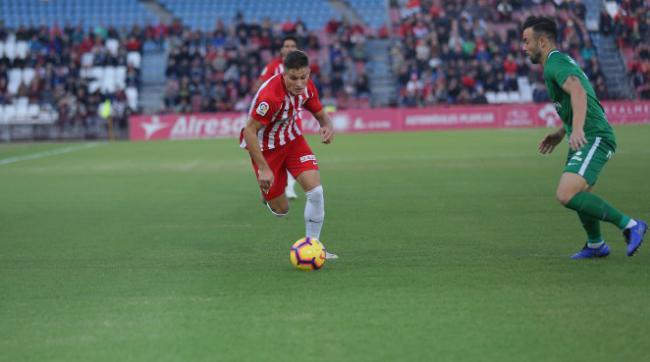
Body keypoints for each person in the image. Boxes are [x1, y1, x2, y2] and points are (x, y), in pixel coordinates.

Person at [521, 16, 646, 259]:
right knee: (581, 192)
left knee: (566, 193)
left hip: (593, 136)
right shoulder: (559, 62)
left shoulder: (554, 64)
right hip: (582, 134)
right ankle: (596, 245)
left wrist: (577, 129)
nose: (523, 47)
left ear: (543, 42)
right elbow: (574, 98)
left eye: (527, 41)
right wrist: (561, 133)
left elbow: (578, 90)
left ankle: (631, 225)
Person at [241, 50, 338, 259]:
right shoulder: (270, 97)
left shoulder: (307, 87)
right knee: (281, 210)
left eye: (303, 77)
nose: (299, 83)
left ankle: (314, 247)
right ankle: (267, 196)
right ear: (284, 74)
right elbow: (249, 131)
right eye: (293, 78)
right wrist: (265, 169)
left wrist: (327, 126)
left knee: (316, 192)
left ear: (308, 73)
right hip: (266, 148)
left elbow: (321, 115)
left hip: (293, 140)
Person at [254, 35, 300, 199]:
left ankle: (288, 188)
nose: (289, 48)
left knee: (293, 154)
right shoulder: (273, 66)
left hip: (293, 119)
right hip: (274, 121)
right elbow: (259, 86)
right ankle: (270, 187)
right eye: (286, 46)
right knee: (274, 155)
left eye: (292, 45)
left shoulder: (301, 68)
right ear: (282, 50)